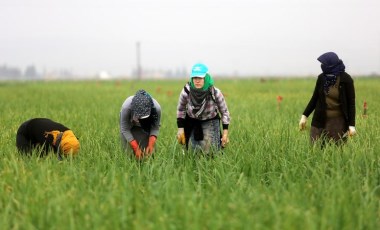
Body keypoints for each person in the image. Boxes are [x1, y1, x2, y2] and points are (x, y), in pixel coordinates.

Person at [299, 52, 356, 146]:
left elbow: (351, 104)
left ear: (331, 64)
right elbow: (314, 98)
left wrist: (352, 125)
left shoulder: (346, 79)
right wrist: (304, 116)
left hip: (338, 122)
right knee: (315, 149)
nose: (322, 66)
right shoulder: (322, 78)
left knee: (337, 151)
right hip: (319, 120)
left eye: (324, 64)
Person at [176, 63, 231, 153]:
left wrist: (225, 133)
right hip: (192, 121)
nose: (197, 81)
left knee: (210, 152)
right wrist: (180, 129)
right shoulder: (186, 91)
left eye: (200, 78)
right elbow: (181, 109)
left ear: (205, 78)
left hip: (210, 120)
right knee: (192, 152)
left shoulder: (215, 92)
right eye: (195, 78)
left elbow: (224, 112)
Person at [120, 89, 161, 159]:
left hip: (147, 124)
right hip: (129, 125)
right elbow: (125, 129)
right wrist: (136, 148)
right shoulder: (126, 108)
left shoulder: (156, 109)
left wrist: (151, 144)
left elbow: (155, 127)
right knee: (128, 152)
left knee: (148, 152)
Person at [16, 118, 80, 157]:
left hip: (40, 123)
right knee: (28, 156)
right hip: (24, 131)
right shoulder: (48, 141)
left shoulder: (68, 133)